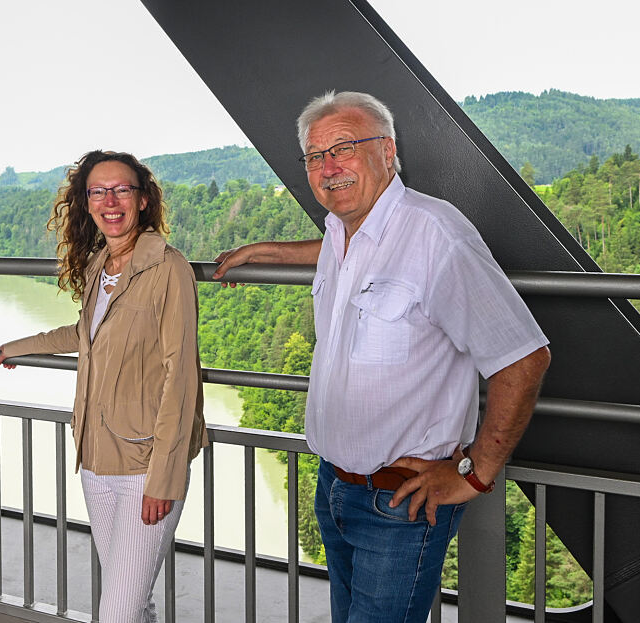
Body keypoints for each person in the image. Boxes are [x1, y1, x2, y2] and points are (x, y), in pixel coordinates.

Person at [213, 91, 551, 623]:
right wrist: (270, 250)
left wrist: (476, 473)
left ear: (388, 151)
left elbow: (523, 357)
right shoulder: (340, 233)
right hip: (335, 488)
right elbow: (346, 252)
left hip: (400, 503)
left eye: (344, 147)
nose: (329, 167)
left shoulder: (436, 235)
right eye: (315, 156)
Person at [0, 150, 206, 623]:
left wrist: (164, 477)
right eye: (98, 191)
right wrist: (19, 346)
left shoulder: (167, 268)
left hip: (145, 464)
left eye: (122, 189)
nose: (110, 201)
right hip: (94, 456)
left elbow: (181, 376)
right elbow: (84, 334)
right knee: (130, 602)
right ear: (86, 202)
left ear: (143, 200)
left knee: (117, 612)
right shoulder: (100, 265)